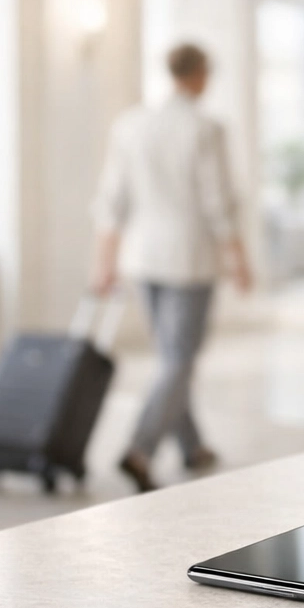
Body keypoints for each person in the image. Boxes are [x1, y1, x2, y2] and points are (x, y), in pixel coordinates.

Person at [91, 42, 252, 493]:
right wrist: (239, 259)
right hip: (190, 258)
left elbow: (112, 201)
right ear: (199, 74)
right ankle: (139, 449)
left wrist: (104, 263)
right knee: (179, 360)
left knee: (170, 358)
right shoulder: (206, 128)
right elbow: (218, 202)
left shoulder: (131, 124)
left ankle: (192, 446)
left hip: (142, 258)